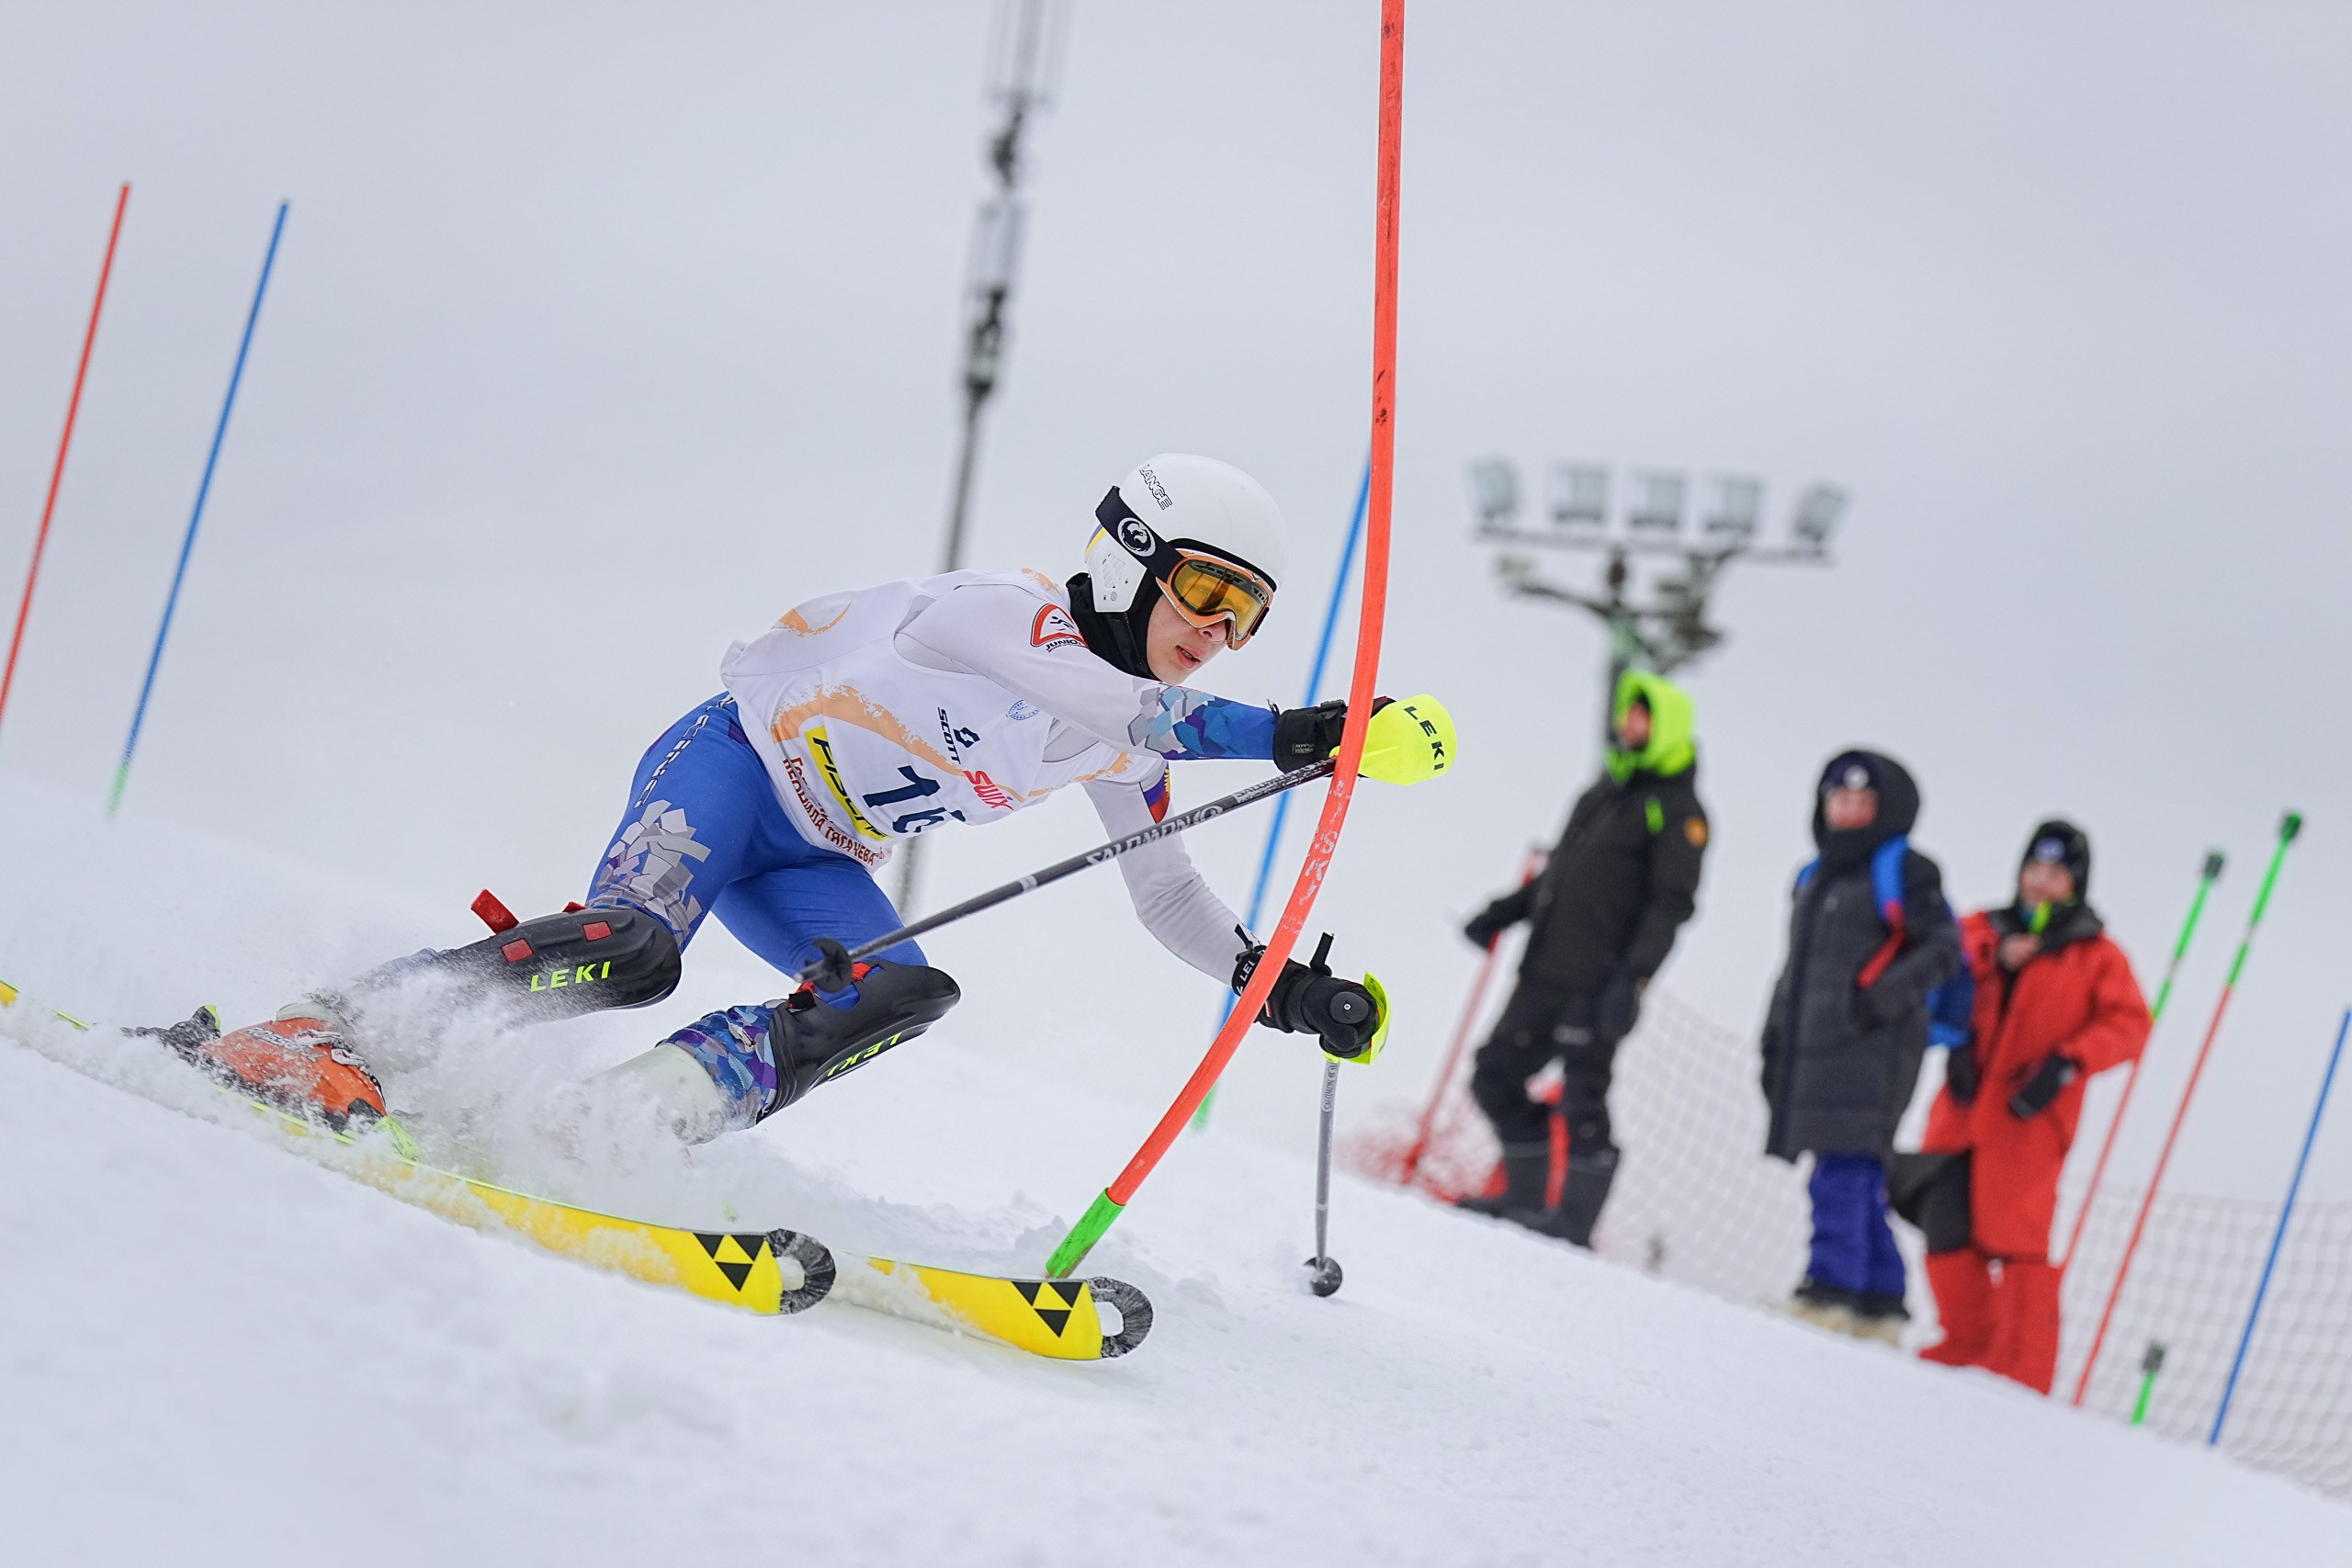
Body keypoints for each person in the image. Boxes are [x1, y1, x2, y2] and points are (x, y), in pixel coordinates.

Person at [158, 455, 1430, 1140]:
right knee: (638, 949)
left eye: (1248, 615)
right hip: (729, 770)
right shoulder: (1009, 614)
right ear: (1130, 561)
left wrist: (1283, 991)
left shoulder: (1131, 742)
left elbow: (1168, 894)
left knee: (900, 986)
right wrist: (1305, 732)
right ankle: (324, 1027)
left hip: (813, 853)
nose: (1219, 630)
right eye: (1206, 592)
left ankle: (629, 1120)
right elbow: (1135, 711)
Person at [1454, 670, 1708, 1246]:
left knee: (1582, 1095)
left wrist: (1633, 981)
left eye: (1642, 715)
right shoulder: (1602, 795)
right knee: (1495, 1075)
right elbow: (1559, 876)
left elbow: (1671, 906)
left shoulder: (1676, 811)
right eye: (1627, 713)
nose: (1629, 724)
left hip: (1601, 982)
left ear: (1666, 725)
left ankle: (1572, 1225)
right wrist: (1504, 911)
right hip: (1543, 970)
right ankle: (1523, 1199)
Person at [1913, 820, 2149, 1392]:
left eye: (2056, 873)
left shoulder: (2096, 955)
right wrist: (1995, 958)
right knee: (1945, 1222)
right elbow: (1944, 967)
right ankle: (1966, 1343)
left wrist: (2068, 1062)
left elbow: (2130, 1024)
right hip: (1963, 1108)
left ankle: (2023, 1371)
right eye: (2034, 869)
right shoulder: (1982, 927)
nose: (2042, 883)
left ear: (2076, 883)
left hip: (2030, 1120)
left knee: (2018, 1239)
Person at [1760, 750, 1961, 1342]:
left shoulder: (1908, 871)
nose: (1848, 810)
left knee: (1841, 1168)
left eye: (1862, 802)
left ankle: (1829, 1292)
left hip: (1873, 1049)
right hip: (1815, 1048)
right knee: (1855, 1170)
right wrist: (1775, 1037)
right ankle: (1879, 1299)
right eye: (1838, 799)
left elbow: (1943, 950)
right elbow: (1795, 971)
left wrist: (1875, 1002)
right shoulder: (1815, 876)